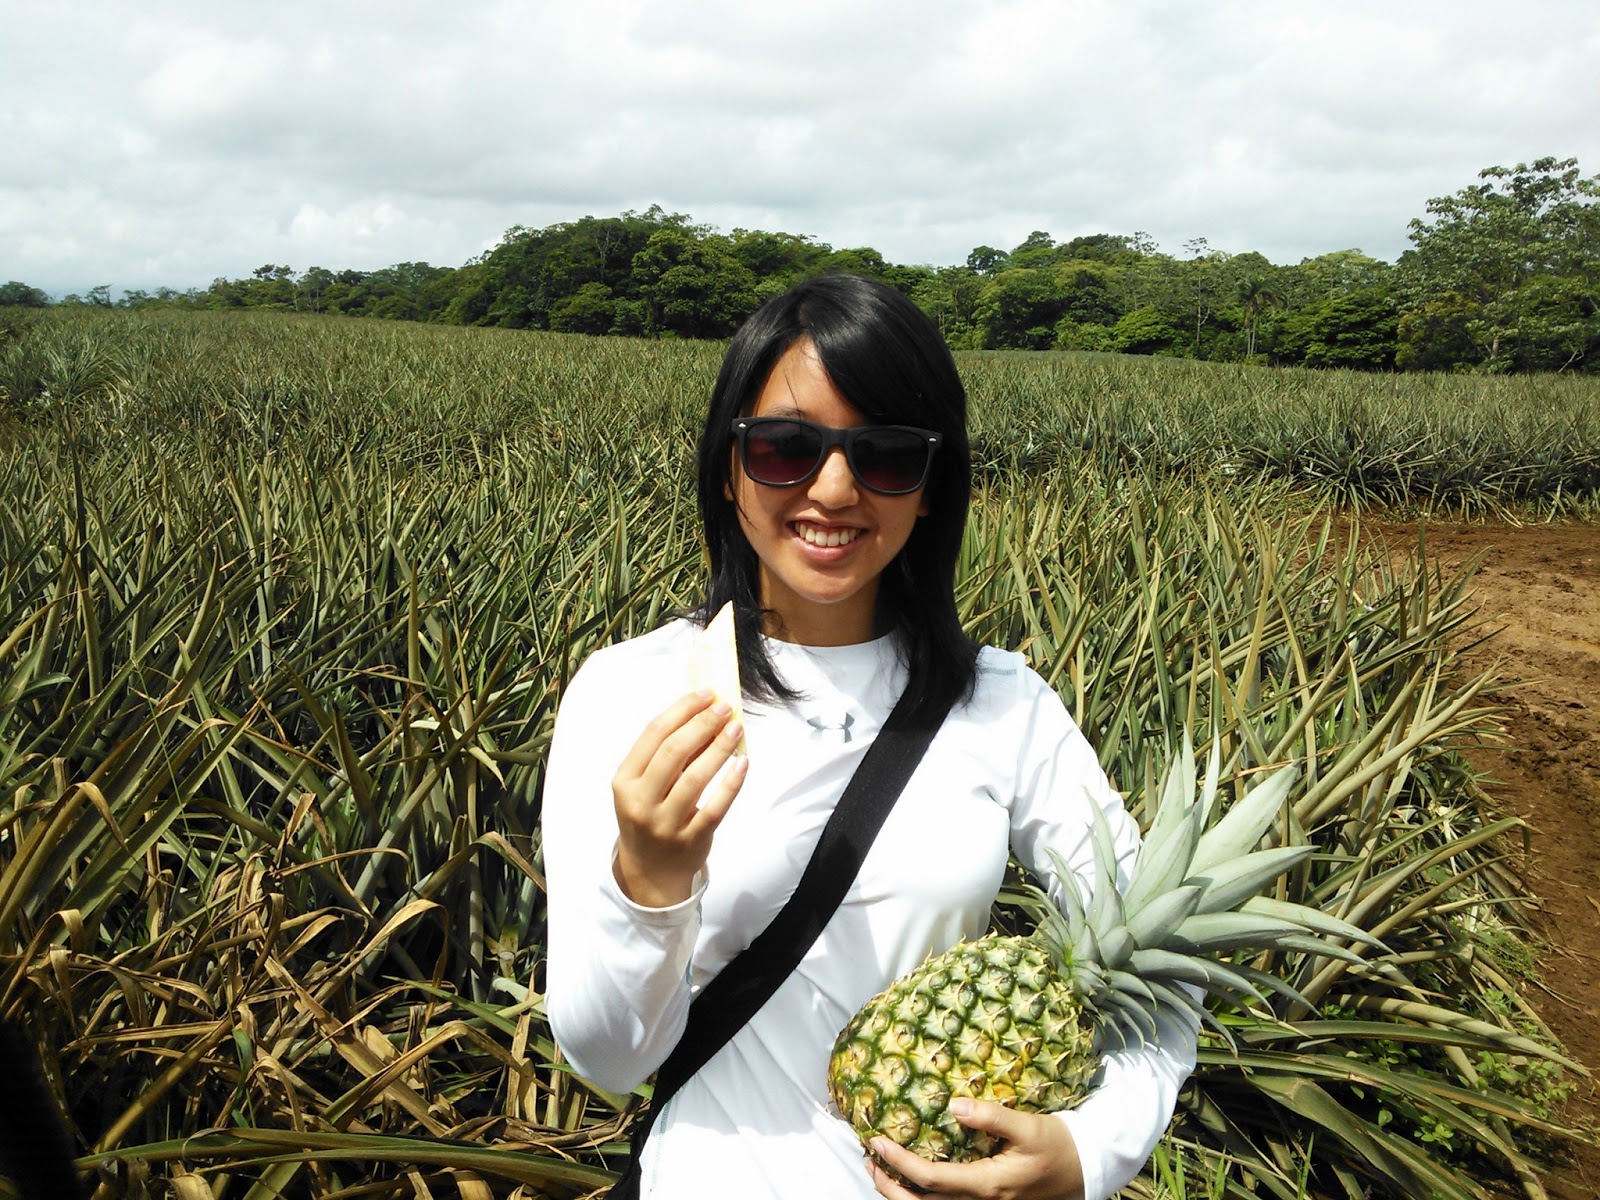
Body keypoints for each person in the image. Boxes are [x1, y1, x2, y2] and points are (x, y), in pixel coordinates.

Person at [542, 274, 1197, 1200]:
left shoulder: (1005, 705)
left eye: (887, 454)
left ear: (931, 489)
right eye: (785, 448)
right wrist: (647, 878)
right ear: (728, 470)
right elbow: (608, 1061)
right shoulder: (630, 691)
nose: (835, 488)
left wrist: (1091, 1152)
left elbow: (1164, 960)